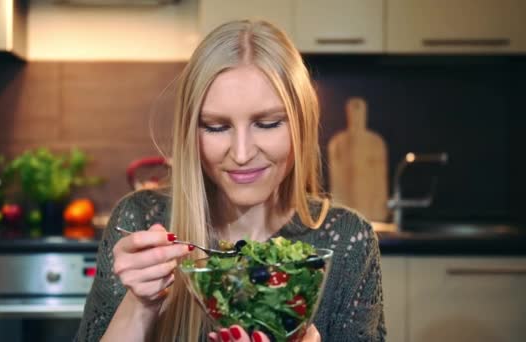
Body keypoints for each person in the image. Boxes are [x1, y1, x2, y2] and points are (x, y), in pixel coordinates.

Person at [75, 19, 386, 342]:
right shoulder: (140, 219)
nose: (241, 153)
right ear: (190, 132)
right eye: (216, 127)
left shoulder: (350, 241)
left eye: (267, 123)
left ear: (301, 124)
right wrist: (141, 303)